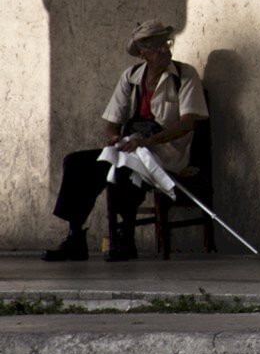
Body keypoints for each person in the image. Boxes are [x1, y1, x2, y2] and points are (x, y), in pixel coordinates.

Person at [42, 20, 209, 262]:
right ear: (142, 53)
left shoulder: (184, 75)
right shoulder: (130, 77)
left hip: (166, 152)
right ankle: (75, 236)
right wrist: (113, 138)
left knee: (126, 169)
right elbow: (113, 120)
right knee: (77, 163)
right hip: (131, 147)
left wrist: (149, 142)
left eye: (166, 43)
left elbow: (187, 124)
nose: (164, 49)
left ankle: (126, 238)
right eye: (156, 46)